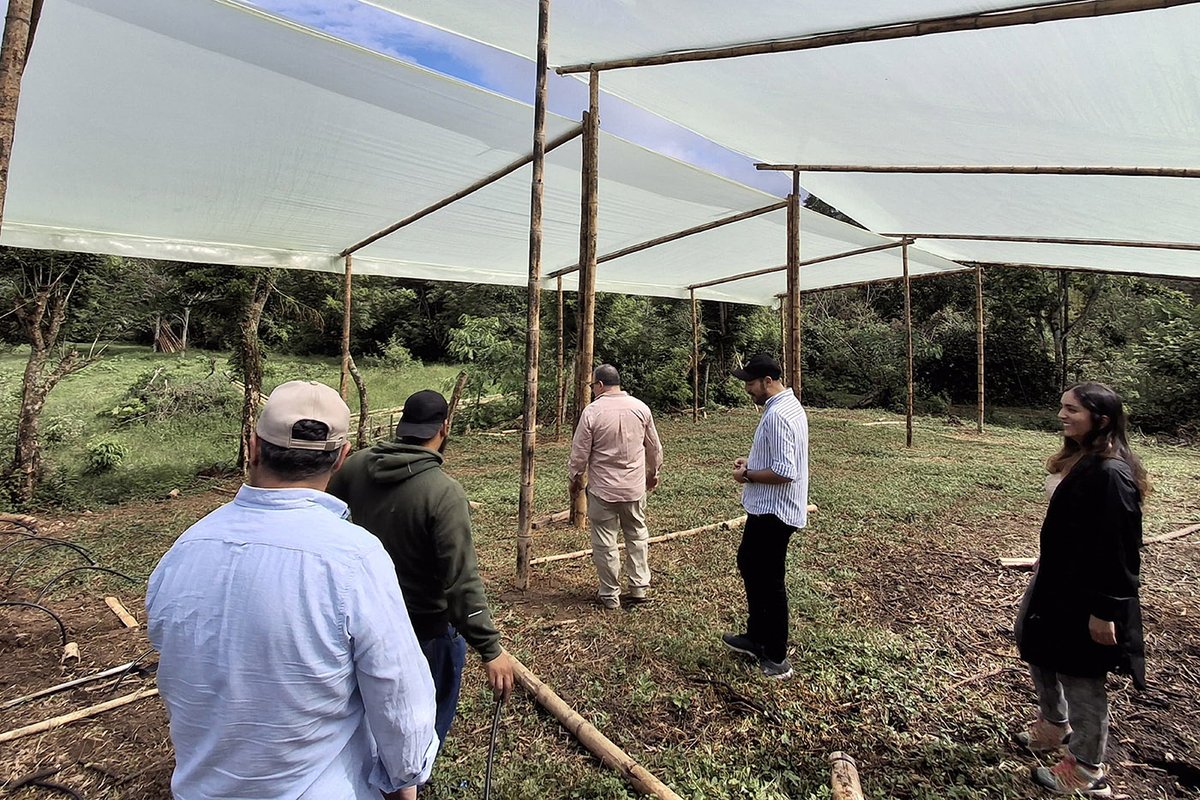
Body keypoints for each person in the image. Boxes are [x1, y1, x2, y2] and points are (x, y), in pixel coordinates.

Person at [147, 380, 437, 800]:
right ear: (341, 456)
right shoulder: (353, 558)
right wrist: (404, 779)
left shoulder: (186, 548)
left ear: (253, 447)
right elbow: (398, 697)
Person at [327, 389, 514, 748]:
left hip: (365, 621)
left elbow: (321, 515)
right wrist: (490, 648)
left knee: (369, 714)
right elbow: (460, 581)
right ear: (445, 427)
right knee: (424, 724)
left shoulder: (356, 466)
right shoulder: (442, 492)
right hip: (426, 630)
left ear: (402, 425)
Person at [1014, 382, 1147, 797]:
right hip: (1056, 577)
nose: (1062, 415)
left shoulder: (1111, 472)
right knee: (1033, 642)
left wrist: (1105, 610)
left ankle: (1088, 767)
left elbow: (1121, 547)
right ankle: (1054, 724)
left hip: (1088, 593)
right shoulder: (1079, 456)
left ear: (1101, 419)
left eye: (1072, 410)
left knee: (1081, 675)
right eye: (1062, 407)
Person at [721, 353, 809, 680]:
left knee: (769, 580)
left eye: (751, 383)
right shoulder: (788, 406)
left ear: (768, 381)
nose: (748, 389)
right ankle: (755, 637)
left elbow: (786, 472)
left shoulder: (776, 416)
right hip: (772, 506)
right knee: (749, 563)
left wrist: (747, 476)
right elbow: (782, 458)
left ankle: (775, 655)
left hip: (774, 509)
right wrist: (754, 462)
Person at [568, 364, 664, 610]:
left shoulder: (592, 412)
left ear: (600, 385)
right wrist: (653, 473)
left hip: (603, 490)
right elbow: (654, 447)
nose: (591, 390)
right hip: (634, 487)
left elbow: (579, 453)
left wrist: (575, 478)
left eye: (592, 385)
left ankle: (610, 594)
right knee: (637, 535)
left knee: (604, 540)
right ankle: (639, 588)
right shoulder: (640, 408)